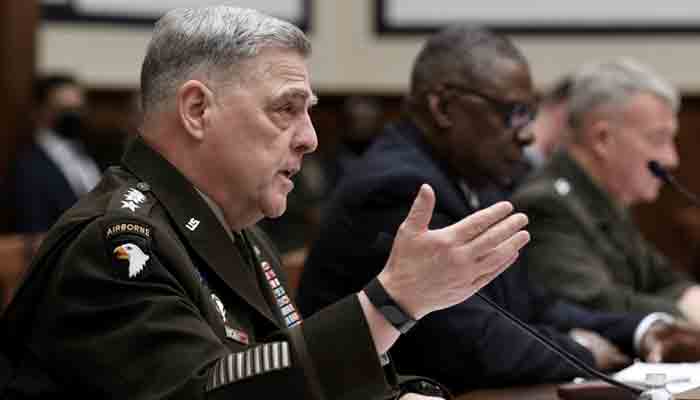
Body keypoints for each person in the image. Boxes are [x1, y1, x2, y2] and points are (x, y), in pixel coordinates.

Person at [0, 7, 531, 399]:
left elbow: (279, 372)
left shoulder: (239, 231)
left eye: (309, 111)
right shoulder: (116, 244)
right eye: (286, 109)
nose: (310, 139)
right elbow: (211, 394)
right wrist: (390, 302)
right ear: (196, 110)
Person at [297, 26, 700, 394]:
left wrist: (642, 330)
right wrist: (585, 351)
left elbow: (533, 305)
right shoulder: (401, 190)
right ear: (443, 109)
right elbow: (473, 345)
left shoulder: (473, 180)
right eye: (514, 114)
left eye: (531, 113)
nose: (527, 135)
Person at [512, 58, 700, 326]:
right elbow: (594, 304)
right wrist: (686, 313)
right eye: (658, 139)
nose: (672, 159)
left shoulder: (606, 197)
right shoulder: (545, 204)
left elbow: (660, 278)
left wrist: (689, 298)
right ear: (602, 139)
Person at [6, 74, 101, 233]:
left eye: (78, 109)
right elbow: (33, 229)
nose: (73, 116)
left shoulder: (93, 151)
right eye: (64, 110)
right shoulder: (29, 167)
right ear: (39, 110)